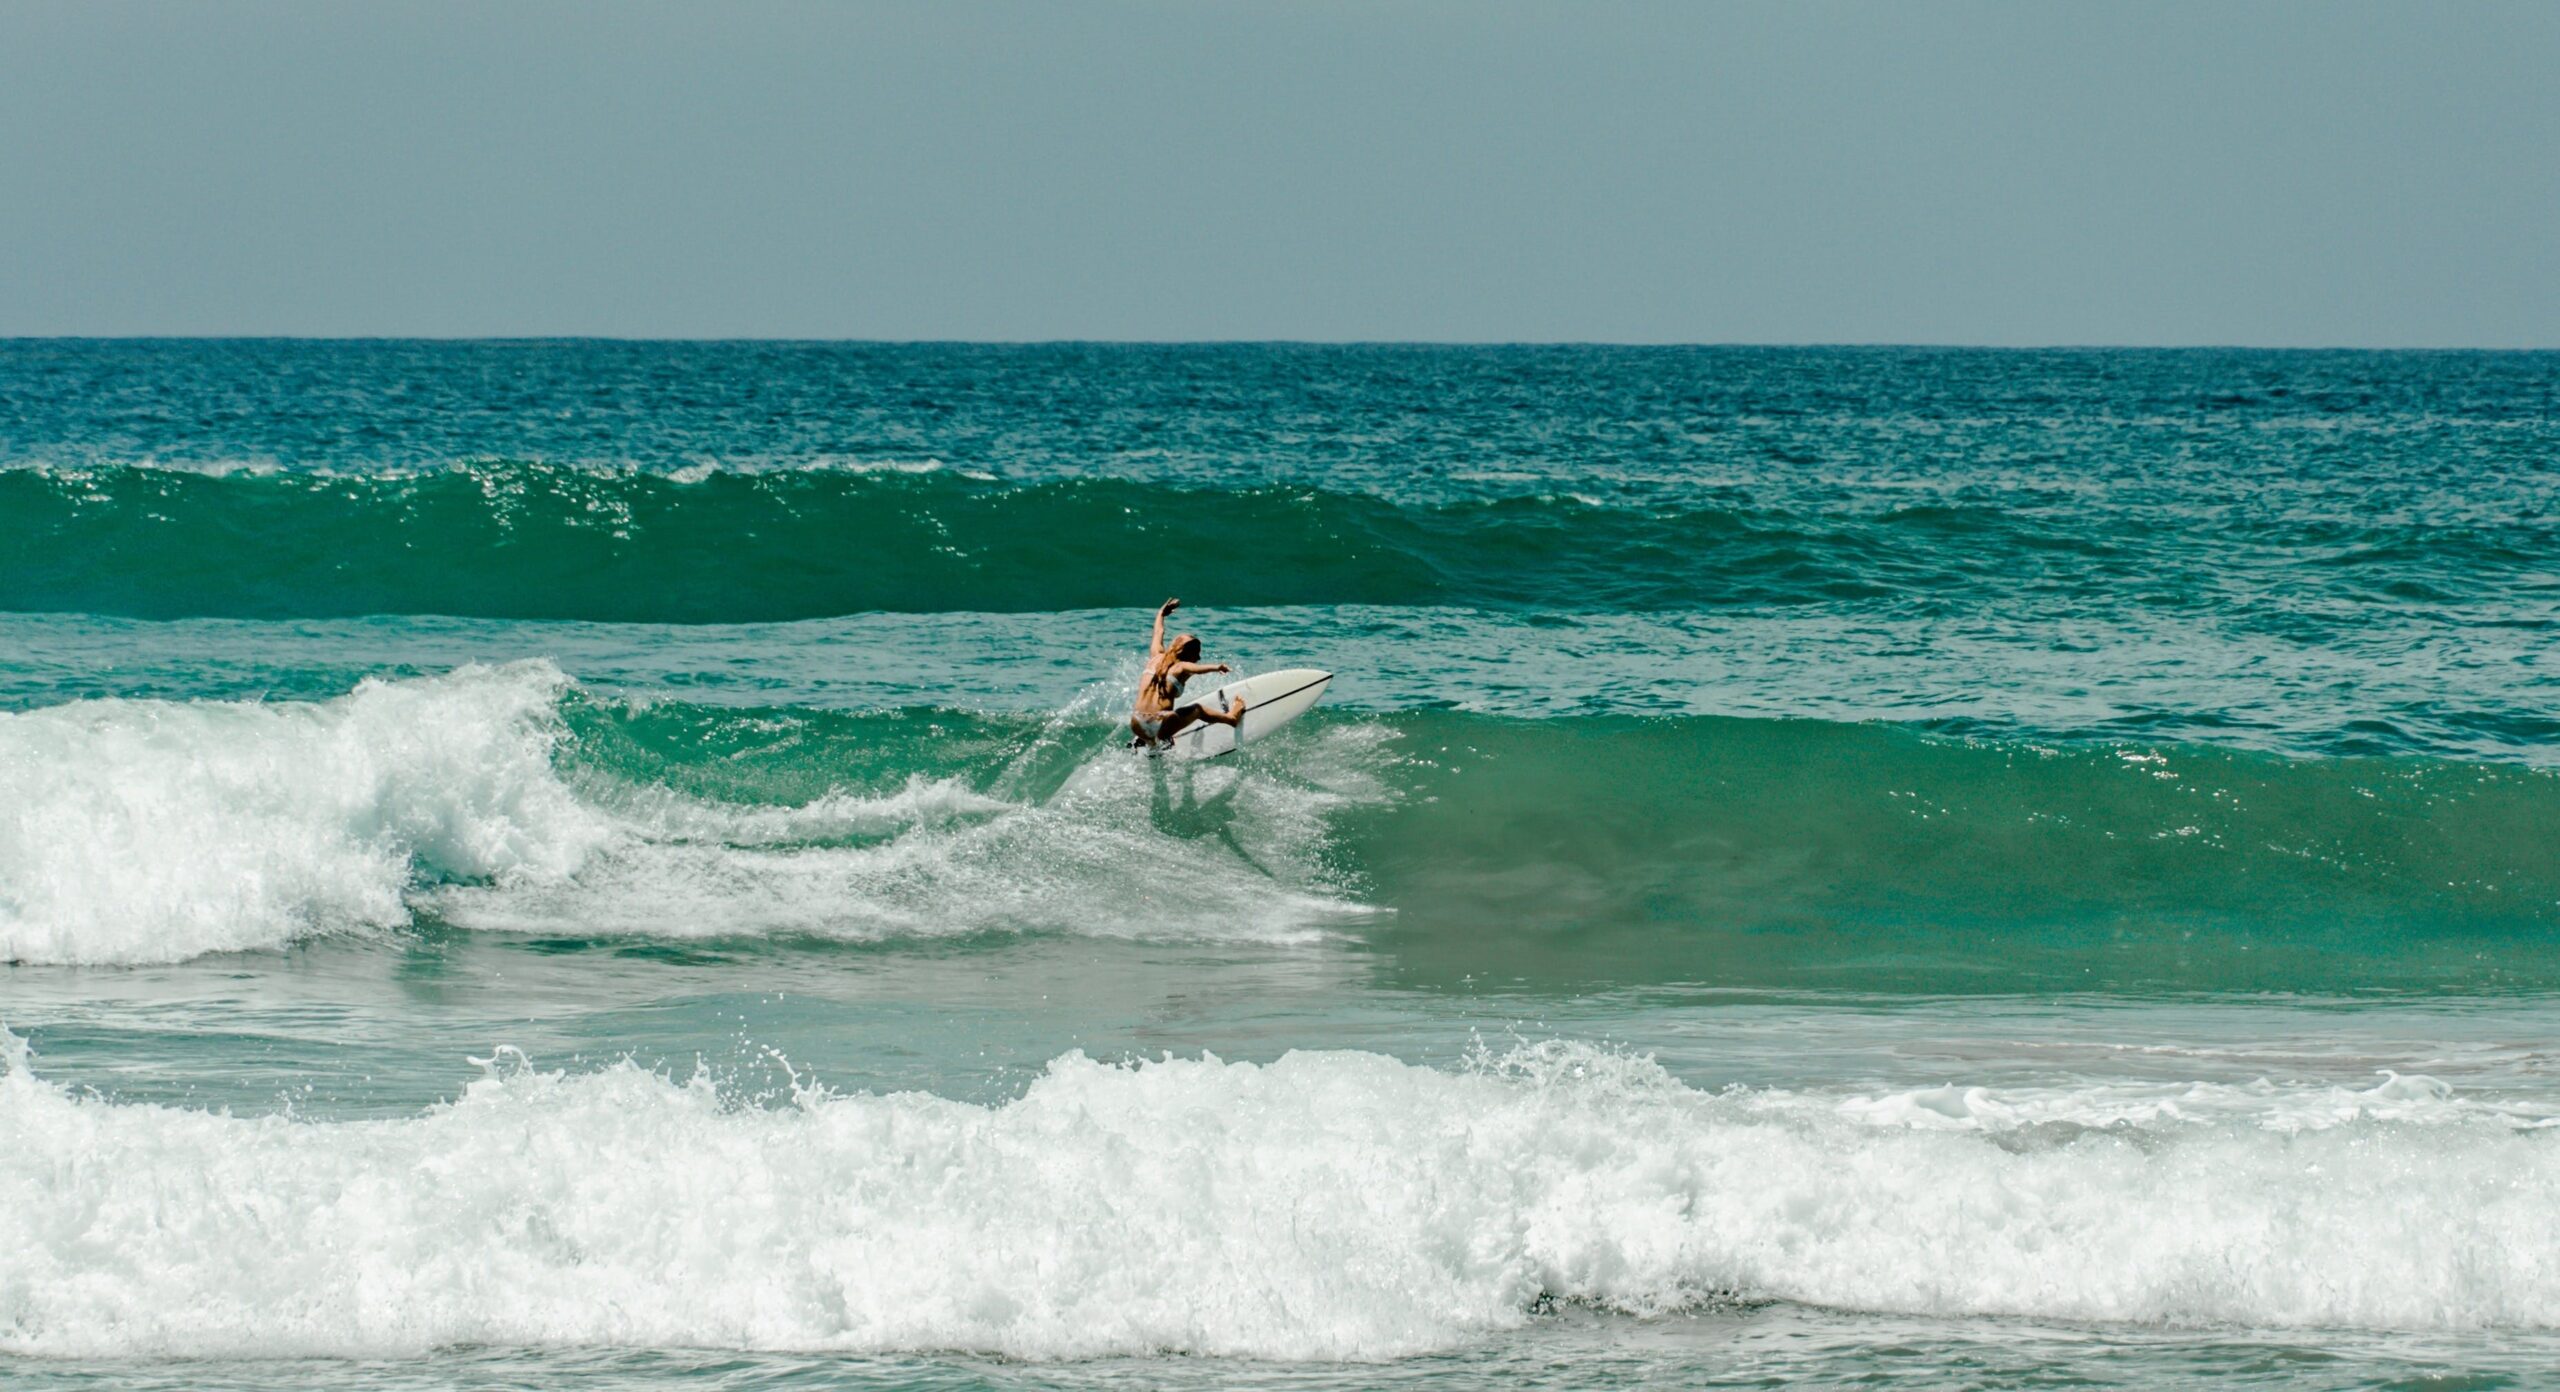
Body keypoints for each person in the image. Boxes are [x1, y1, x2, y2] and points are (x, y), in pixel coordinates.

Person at [1129, 597, 1247, 748]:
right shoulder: (1181, 667)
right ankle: (1231, 718)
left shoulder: (1155, 656)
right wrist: (1217, 667)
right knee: (1198, 709)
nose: (1198, 657)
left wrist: (1161, 613)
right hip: (1161, 722)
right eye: (1196, 654)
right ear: (1185, 654)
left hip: (1136, 722)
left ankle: (1148, 741)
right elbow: (1196, 669)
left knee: (1158, 726)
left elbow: (1158, 631)